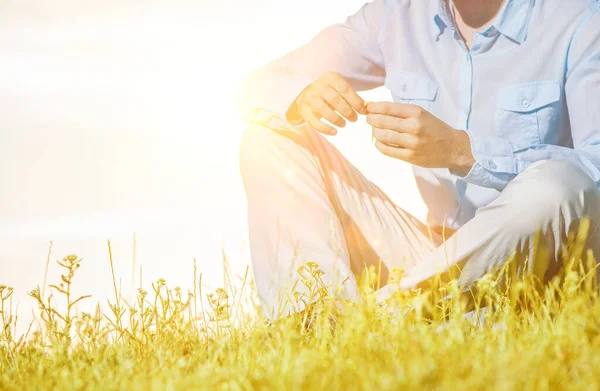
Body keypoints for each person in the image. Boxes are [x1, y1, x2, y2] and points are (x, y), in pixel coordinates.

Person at [236, 0, 600, 320]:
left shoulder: (582, 18)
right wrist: (302, 95)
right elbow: (255, 86)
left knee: (558, 187)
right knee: (267, 138)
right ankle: (316, 321)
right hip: (435, 261)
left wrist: (461, 151)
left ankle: (375, 322)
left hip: (548, 270)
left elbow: (593, 170)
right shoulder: (395, 16)